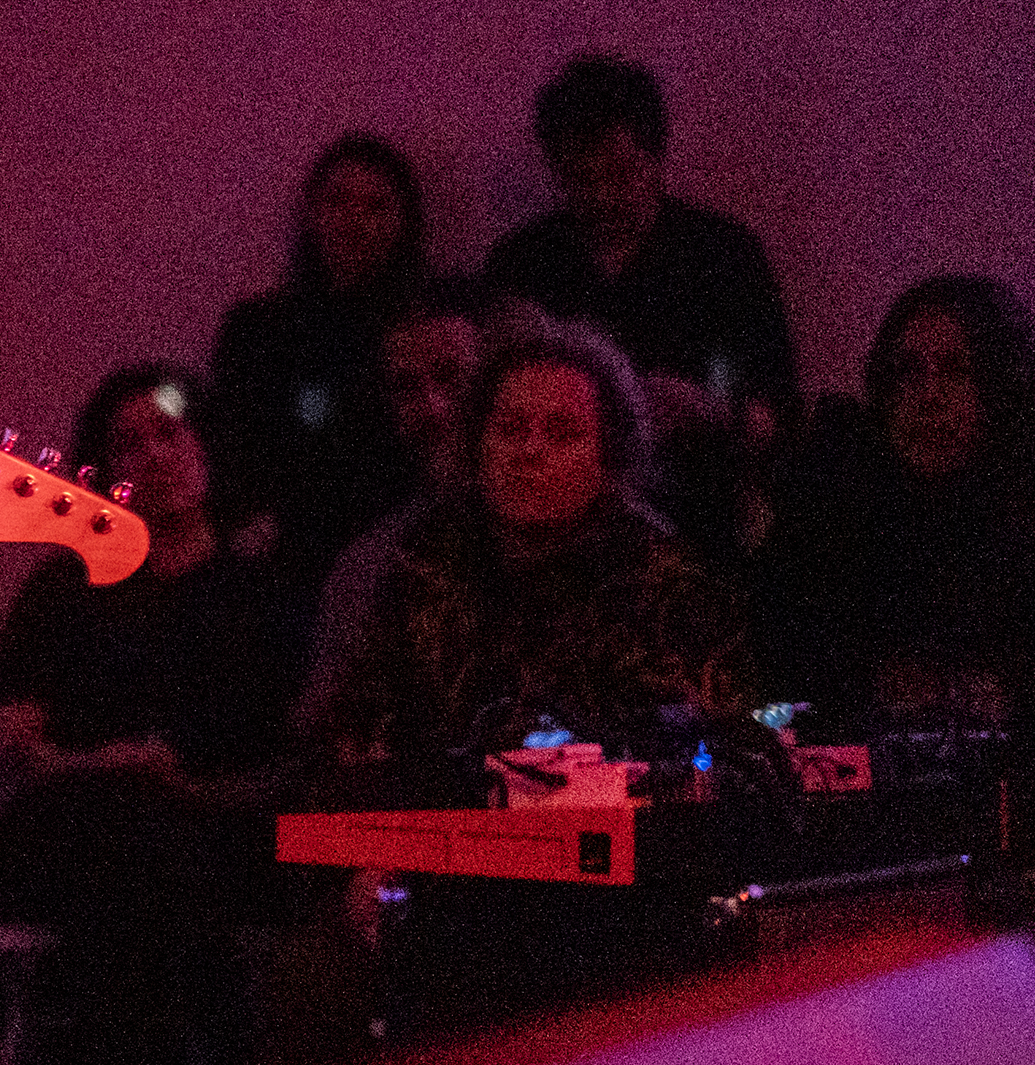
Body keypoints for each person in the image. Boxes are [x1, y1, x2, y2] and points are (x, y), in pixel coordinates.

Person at [0, 364, 305, 1065]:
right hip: (78, 825)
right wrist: (107, 767)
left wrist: (185, 790)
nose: (155, 455)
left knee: (161, 851)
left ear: (207, 444)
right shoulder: (67, 586)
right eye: (130, 445)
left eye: (170, 432)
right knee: (126, 829)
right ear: (105, 471)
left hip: (216, 828)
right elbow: (14, 739)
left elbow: (292, 755)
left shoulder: (260, 596)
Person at [307, 317, 747, 767]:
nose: (530, 451)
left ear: (609, 460)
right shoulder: (424, 567)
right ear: (476, 449)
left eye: (562, 432)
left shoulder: (666, 583)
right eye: (511, 429)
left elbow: (719, 745)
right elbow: (354, 728)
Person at [753, 276, 1035, 861]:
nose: (928, 395)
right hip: (862, 842)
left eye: (954, 371)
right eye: (909, 371)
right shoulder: (834, 520)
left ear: (1000, 386)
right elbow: (783, 683)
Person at [481, 56, 799, 563]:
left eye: (621, 174)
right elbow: (485, 402)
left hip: (694, 515)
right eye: (580, 180)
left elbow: (777, 409)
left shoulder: (721, 255)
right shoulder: (526, 263)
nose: (603, 197)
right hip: (554, 521)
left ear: (657, 156)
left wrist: (712, 413)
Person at [204, 133, 431, 583]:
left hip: (399, 546)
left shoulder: (427, 334)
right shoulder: (256, 331)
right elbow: (231, 445)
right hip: (276, 556)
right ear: (310, 213)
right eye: (338, 202)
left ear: (405, 221)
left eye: (376, 207)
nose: (355, 222)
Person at [288, 289, 492, 741]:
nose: (433, 408)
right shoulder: (370, 567)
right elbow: (319, 733)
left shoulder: (610, 537)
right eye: (406, 388)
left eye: (450, 377)